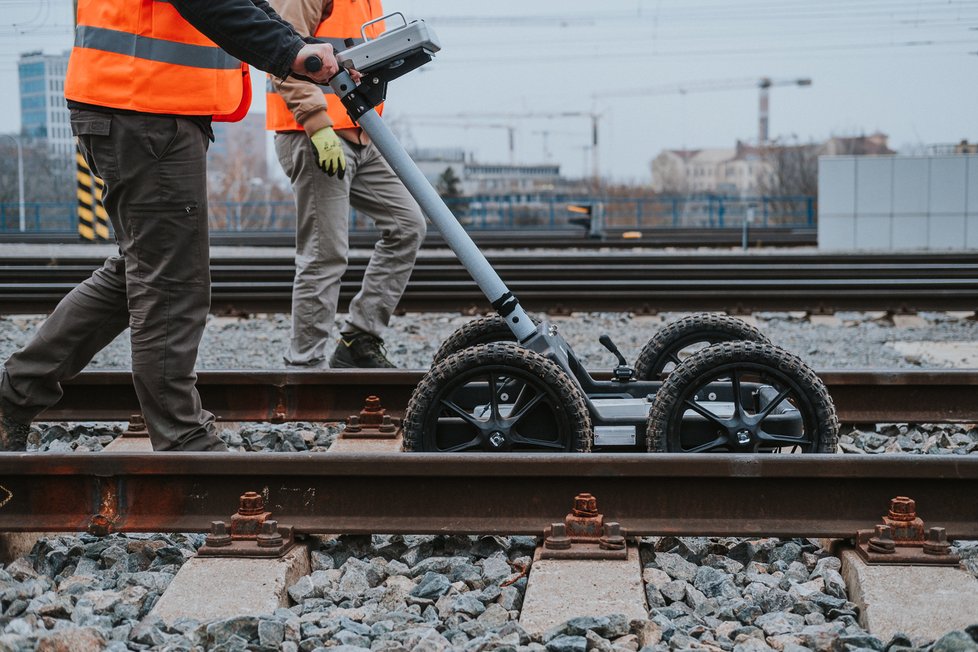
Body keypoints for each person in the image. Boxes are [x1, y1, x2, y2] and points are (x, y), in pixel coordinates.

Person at [0, 0, 340, 452]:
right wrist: (291, 53)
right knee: (172, 281)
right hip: (142, 104)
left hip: (143, 104)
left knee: (141, 271)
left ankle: (15, 396)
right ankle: (181, 435)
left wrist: (298, 46)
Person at [267, 0, 427, 369]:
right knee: (325, 253)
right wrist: (317, 123)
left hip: (361, 132)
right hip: (315, 134)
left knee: (407, 225)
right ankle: (304, 364)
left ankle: (359, 338)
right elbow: (279, 49)